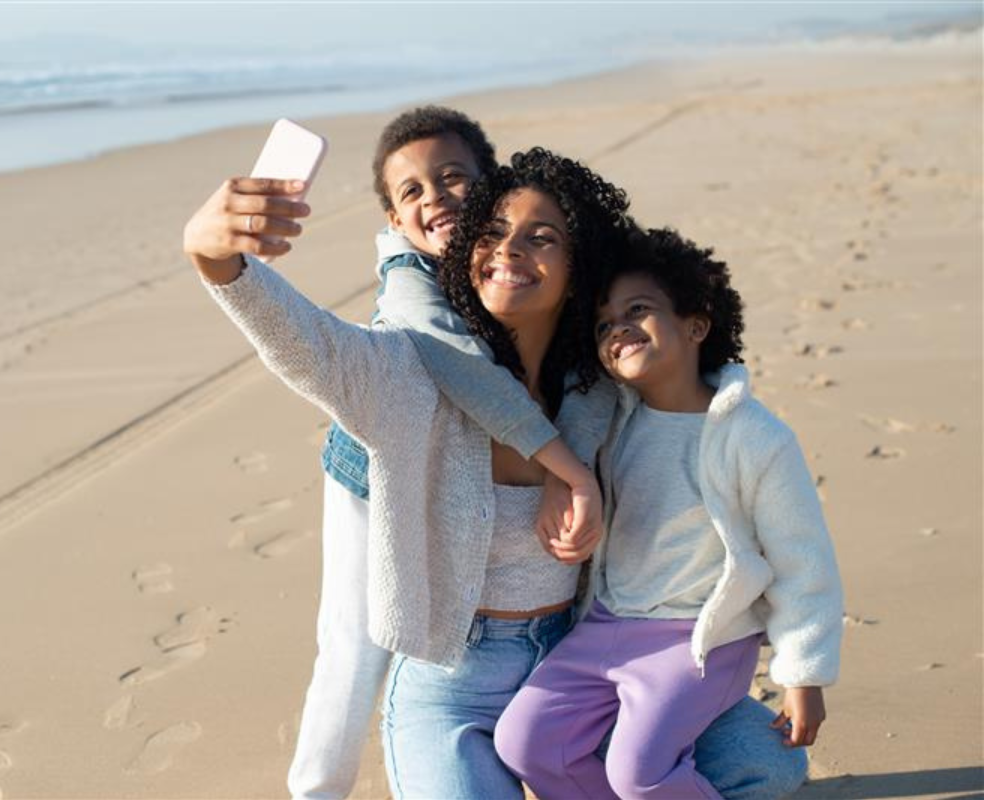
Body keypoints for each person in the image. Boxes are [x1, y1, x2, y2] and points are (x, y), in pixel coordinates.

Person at [184, 146, 810, 799]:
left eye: (541, 238)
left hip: (583, 667)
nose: (508, 250)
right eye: (492, 233)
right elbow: (308, 343)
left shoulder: (604, 391)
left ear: (579, 265)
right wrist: (215, 258)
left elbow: (703, 388)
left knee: (764, 765)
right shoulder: (407, 373)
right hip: (452, 687)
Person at [294, 107, 609, 800]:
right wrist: (562, 466)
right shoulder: (410, 278)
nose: (434, 198)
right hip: (373, 474)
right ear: (393, 219)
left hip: (475, 466)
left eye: (453, 178)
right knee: (354, 638)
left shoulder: (509, 256)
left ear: (492, 185)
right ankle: (318, 788)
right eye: (412, 191)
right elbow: (464, 369)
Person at [494, 227, 844, 799]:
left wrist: (803, 673)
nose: (618, 328)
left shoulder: (754, 437)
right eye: (604, 325)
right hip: (607, 624)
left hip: (699, 642)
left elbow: (802, 561)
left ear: (696, 325)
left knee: (639, 773)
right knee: (526, 743)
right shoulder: (614, 422)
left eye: (638, 310)